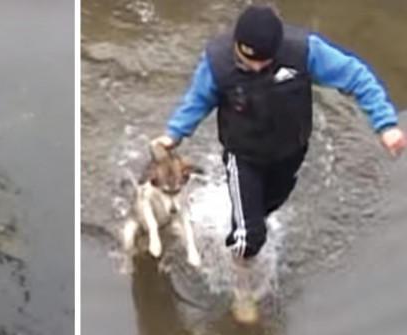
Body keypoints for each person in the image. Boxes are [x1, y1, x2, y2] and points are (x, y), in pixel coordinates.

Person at [152, 5, 406, 271]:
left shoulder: (303, 51)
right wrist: (174, 134)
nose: (258, 66)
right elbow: (198, 99)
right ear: (237, 45)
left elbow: (356, 77)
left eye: (265, 60)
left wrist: (385, 124)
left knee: (266, 210)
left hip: (290, 151)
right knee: (251, 236)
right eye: (249, 60)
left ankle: (245, 225)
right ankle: (241, 283)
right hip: (244, 155)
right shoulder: (218, 63)